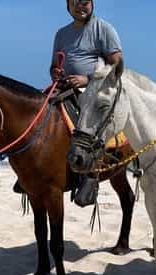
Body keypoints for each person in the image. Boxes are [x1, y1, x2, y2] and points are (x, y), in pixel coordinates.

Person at [51, 0, 123, 206]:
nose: (80, 6)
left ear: (92, 4)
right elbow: (53, 65)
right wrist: (55, 72)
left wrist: (87, 79)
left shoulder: (103, 28)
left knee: (86, 122)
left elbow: (117, 63)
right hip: (63, 86)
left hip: (92, 88)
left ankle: (89, 177)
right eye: (75, 3)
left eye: (84, 2)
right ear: (68, 6)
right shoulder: (61, 34)